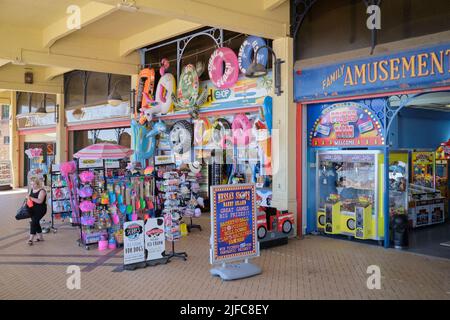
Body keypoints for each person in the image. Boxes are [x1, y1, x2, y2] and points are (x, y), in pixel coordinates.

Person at [26, 176, 47, 245]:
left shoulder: (42, 191)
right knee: (36, 222)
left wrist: (30, 198)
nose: (32, 186)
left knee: (33, 222)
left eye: (34, 184)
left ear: (38, 184)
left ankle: (30, 239)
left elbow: (40, 201)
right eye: (31, 184)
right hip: (32, 209)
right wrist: (28, 199)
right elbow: (29, 198)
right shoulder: (32, 189)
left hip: (41, 209)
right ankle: (41, 237)